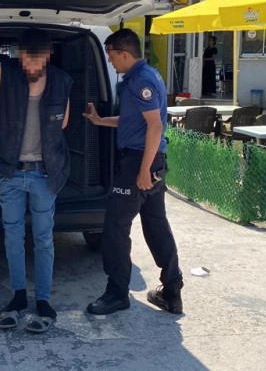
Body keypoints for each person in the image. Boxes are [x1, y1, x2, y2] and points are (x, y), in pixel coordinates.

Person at [83, 28, 184, 316]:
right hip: (150, 159)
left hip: (140, 161)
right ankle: (172, 291)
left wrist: (143, 170)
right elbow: (133, 120)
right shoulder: (144, 76)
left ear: (125, 54)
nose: (110, 61)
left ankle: (117, 294)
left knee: (115, 227)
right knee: (156, 225)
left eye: (111, 55)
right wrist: (101, 120)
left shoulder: (141, 80)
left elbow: (155, 126)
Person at [0, 29, 72, 333]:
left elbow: (63, 122)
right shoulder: (5, 71)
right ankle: (19, 296)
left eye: (36, 61)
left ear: (47, 55)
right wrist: (5, 145)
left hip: (44, 173)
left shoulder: (61, 81)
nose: (31, 67)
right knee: (13, 235)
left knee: (44, 238)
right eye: (26, 60)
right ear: (19, 55)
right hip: (11, 171)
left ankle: (43, 300)